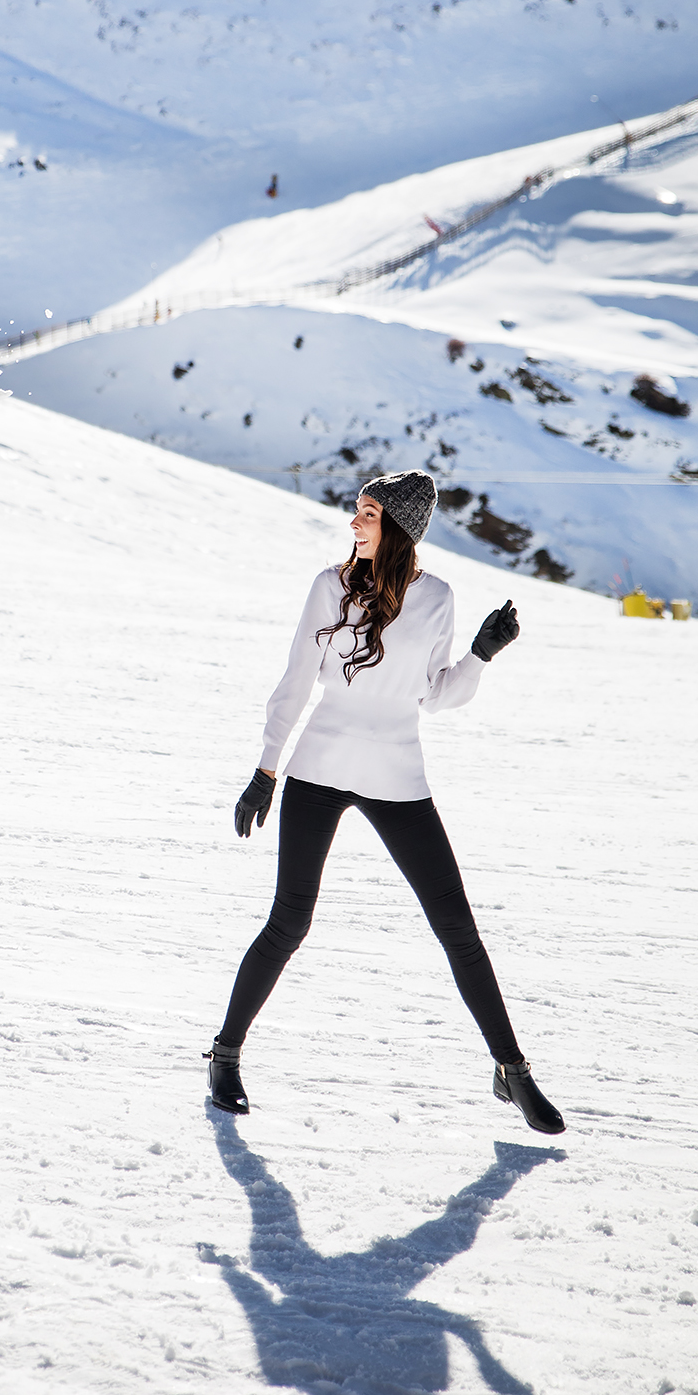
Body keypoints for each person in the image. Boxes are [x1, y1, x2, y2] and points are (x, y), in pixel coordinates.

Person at [205, 470, 564, 1134]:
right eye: (357, 511)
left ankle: (512, 1071)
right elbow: (293, 682)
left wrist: (481, 655)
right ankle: (224, 1054)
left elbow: (436, 695)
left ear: (398, 524)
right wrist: (266, 770)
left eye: (367, 513)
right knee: (289, 923)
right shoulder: (329, 586)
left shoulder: (437, 599)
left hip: (398, 776)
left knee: (457, 928)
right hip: (318, 769)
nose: (354, 523)